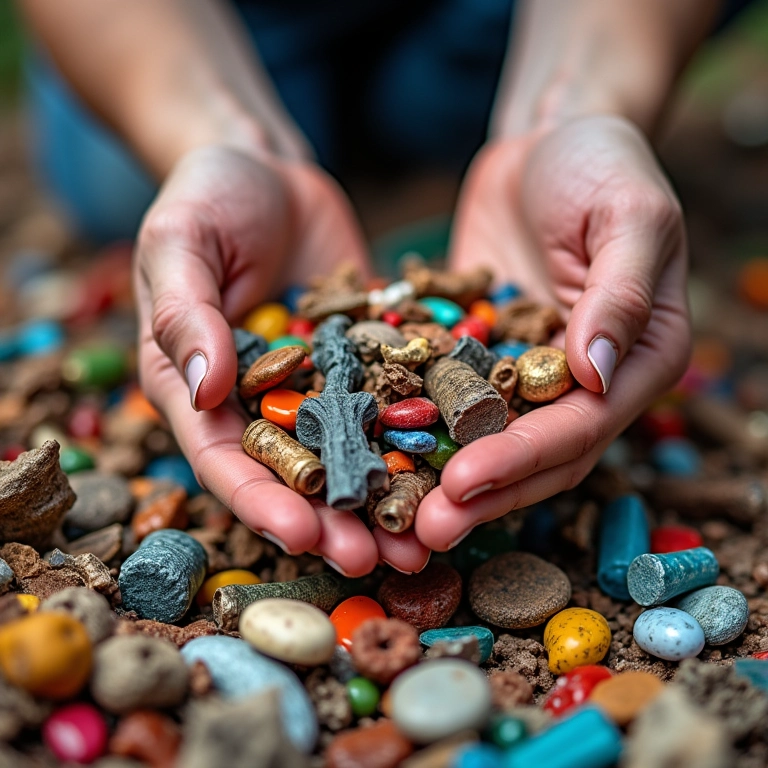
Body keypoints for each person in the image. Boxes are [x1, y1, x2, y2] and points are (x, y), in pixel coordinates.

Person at [18, 0, 733, 576]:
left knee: (439, 101)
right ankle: (357, 107)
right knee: (115, 186)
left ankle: (392, 106)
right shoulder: (335, 378)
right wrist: (226, 138)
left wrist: (571, 109)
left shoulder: (420, 371)